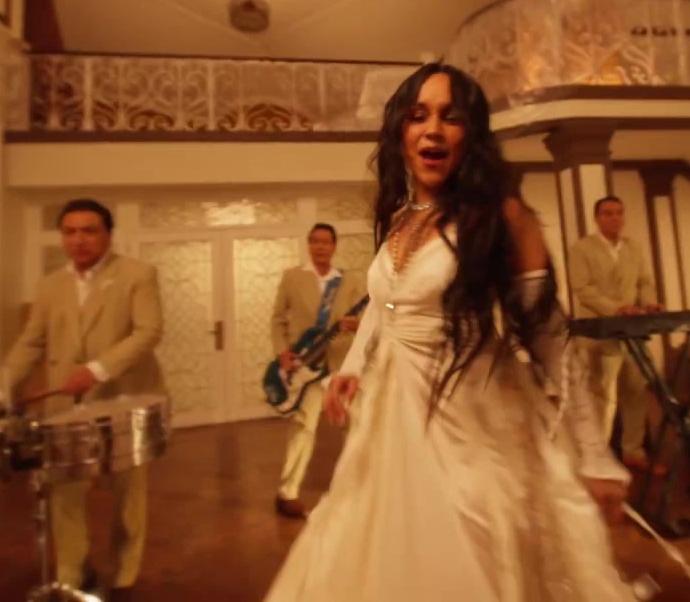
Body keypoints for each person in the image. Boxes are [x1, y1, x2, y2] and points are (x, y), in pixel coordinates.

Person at [263, 63, 638, 601]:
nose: (433, 130)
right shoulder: (400, 217)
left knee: (470, 554)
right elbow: (386, 304)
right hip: (389, 423)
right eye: (418, 116)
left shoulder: (504, 217)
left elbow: (550, 340)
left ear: (472, 134)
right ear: (400, 131)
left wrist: (595, 455)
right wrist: (354, 366)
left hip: (471, 427)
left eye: (451, 117)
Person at [0, 198, 165, 602]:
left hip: (122, 401)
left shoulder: (138, 274)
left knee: (127, 494)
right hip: (64, 409)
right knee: (64, 491)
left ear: (108, 235)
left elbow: (148, 332)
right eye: (70, 232)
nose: (79, 240)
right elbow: (31, 342)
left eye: (89, 230)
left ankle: (123, 576)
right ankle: (72, 573)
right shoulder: (50, 286)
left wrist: (98, 369)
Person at [269, 223, 366, 519]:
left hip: (341, 364)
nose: (320, 247)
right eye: (315, 241)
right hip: (307, 365)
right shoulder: (293, 278)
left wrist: (357, 325)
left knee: (355, 424)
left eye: (326, 242)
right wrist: (282, 352)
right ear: (309, 245)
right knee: (303, 427)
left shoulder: (349, 280)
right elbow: (277, 319)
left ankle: (356, 488)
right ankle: (288, 493)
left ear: (334, 246)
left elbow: (367, 320)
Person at [569, 196, 663, 471]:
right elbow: (583, 289)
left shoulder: (633, 247)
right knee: (602, 396)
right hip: (599, 333)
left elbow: (644, 282)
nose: (614, 218)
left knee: (636, 390)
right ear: (597, 218)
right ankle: (598, 459)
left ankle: (633, 451)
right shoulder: (582, 248)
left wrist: (649, 303)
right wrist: (616, 309)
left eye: (619, 213)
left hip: (632, 332)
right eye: (608, 213)